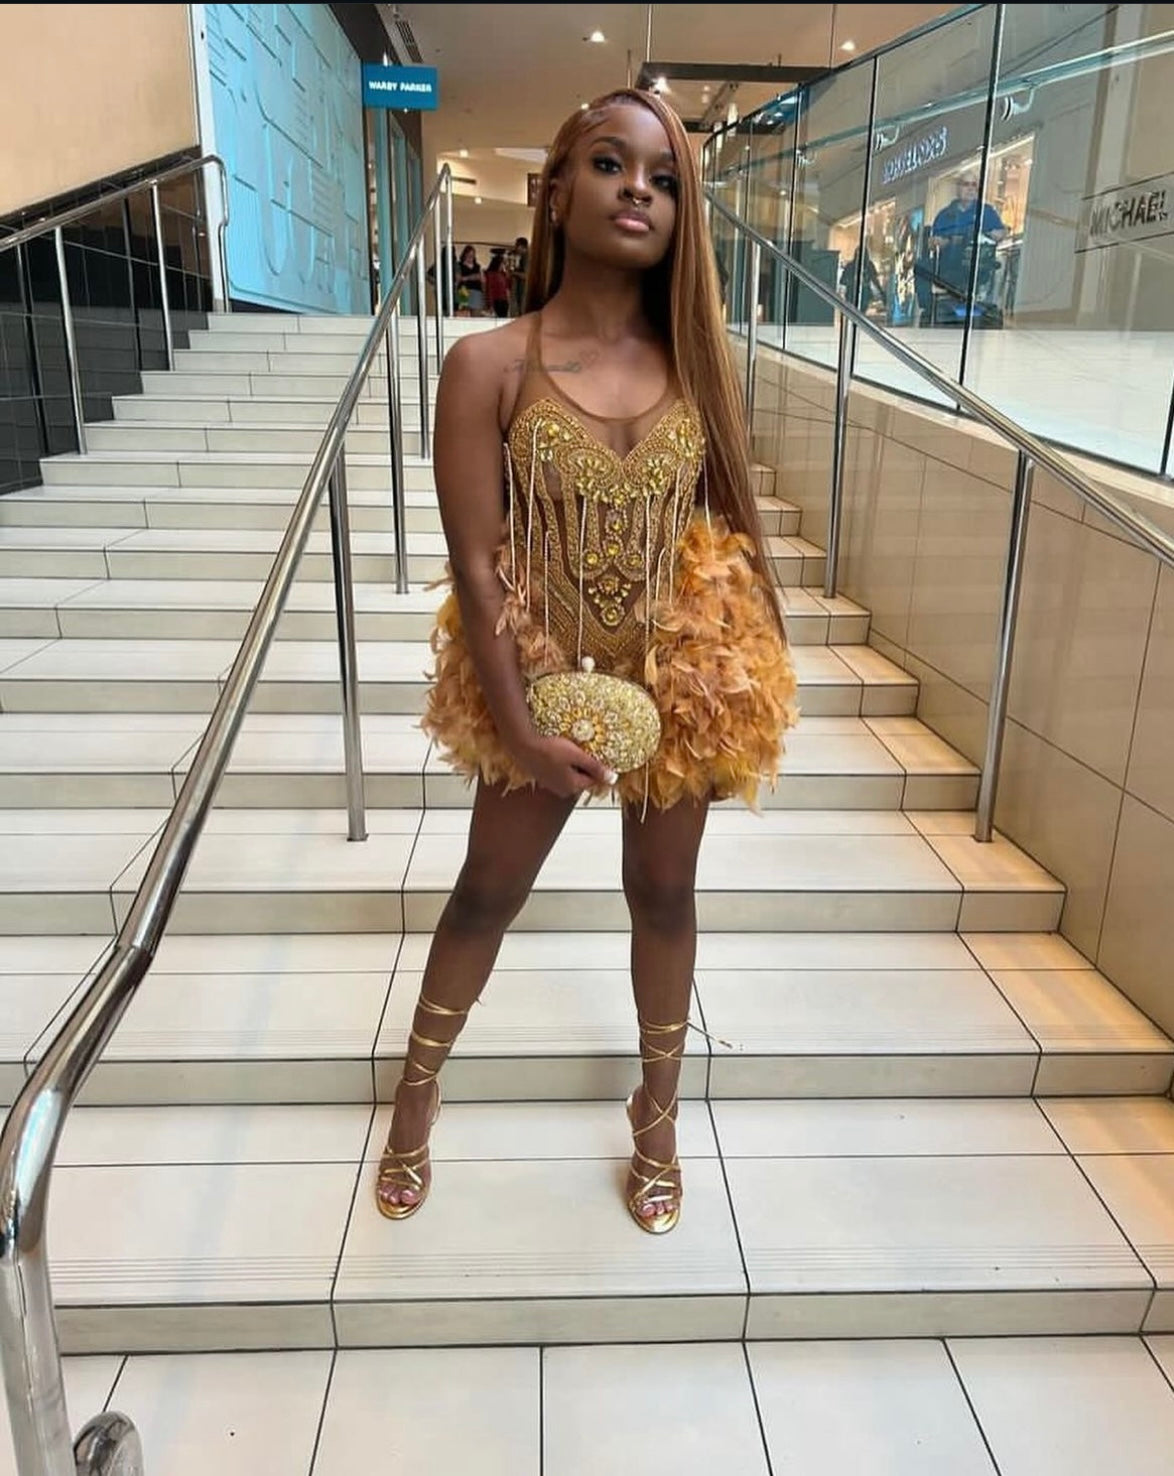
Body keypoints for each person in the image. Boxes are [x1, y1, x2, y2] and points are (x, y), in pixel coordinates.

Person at [374, 86, 798, 1235]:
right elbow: (474, 563)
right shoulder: (487, 364)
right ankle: (415, 1092)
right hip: (533, 678)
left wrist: (726, 671)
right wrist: (517, 724)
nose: (636, 191)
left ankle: (656, 1113)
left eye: (662, 178)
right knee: (485, 891)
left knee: (664, 894)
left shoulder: (700, 365)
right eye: (610, 165)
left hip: (677, 696)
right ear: (557, 189)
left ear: (680, 211)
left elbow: (722, 544)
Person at [924, 172, 1008, 317]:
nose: (970, 189)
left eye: (974, 185)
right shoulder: (945, 214)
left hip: (978, 269)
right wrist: (945, 241)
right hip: (949, 269)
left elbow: (1000, 234)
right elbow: (931, 243)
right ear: (958, 188)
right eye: (966, 184)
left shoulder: (986, 212)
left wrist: (989, 233)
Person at [839, 245, 883, 311]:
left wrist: (881, 292)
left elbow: (875, 280)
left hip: (864, 294)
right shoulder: (851, 266)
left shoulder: (869, 266)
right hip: (853, 292)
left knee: (860, 312)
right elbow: (843, 280)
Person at [456, 244, 484, 314]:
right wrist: (472, 277)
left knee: (476, 313)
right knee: (464, 312)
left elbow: (481, 278)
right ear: (465, 254)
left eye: (472, 254)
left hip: (476, 291)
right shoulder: (459, 265)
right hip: (463, 291)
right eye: (469, 254)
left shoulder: (477, 266)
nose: (471, 256)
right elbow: (459, 278)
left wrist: (466, 278)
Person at [484, 249, 512, 319]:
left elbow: (508, 286)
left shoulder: (503, 274)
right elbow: (490, 289)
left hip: (504, 300)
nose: (502, 266)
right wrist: (490, 304)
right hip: (497, 300)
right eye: (502, 263)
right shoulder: (491, 274)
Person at [506, 235, 529, 316]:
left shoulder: (527, 258)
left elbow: (526, 276)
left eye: (517, 246)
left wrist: (513, 273)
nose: (515, 248)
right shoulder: (523, 258)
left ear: (521, 246)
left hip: (524, 293)